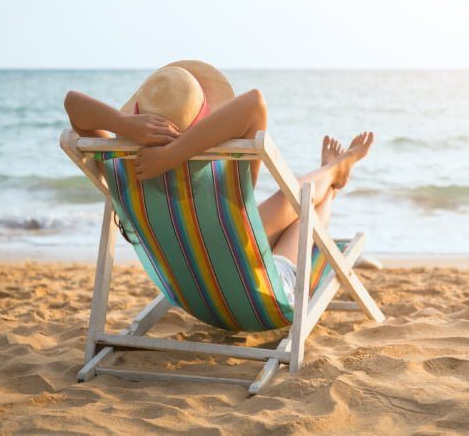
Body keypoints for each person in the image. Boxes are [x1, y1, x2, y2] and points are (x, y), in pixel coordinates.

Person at [63, 60, 373, 302]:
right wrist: (172, 154)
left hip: (193, 292)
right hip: (257, 293)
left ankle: (333, 171)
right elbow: (255, 103)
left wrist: (124, 125)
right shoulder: (220, 179)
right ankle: (334, 177)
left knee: (290, 199)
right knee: (302, 209)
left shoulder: (122, 171)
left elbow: (73, 103)